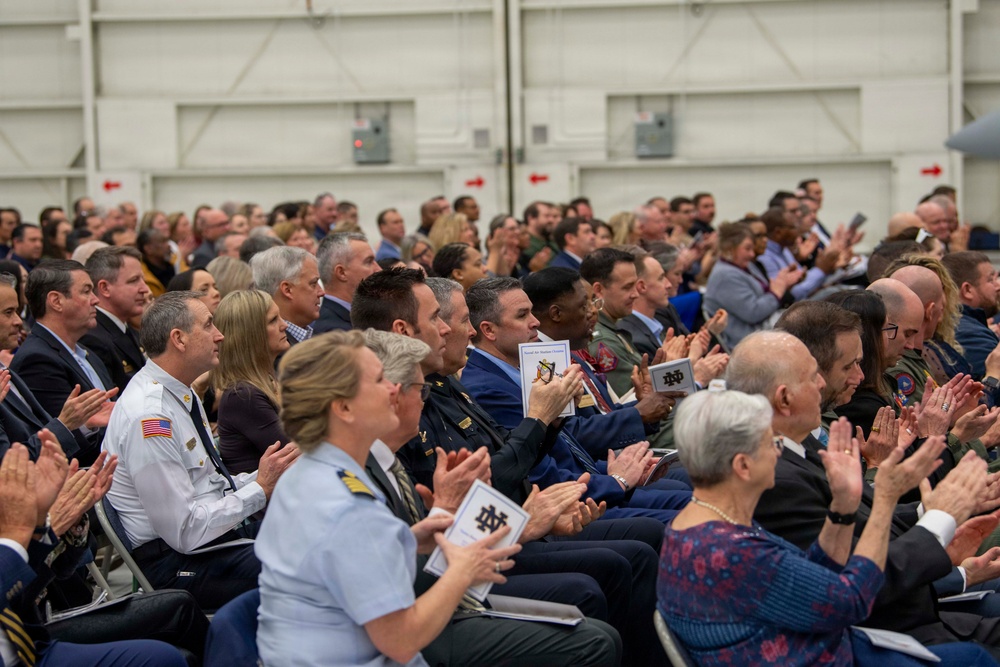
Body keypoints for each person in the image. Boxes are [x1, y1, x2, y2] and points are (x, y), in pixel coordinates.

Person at [257, 330, 622, 666]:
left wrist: (433, 523)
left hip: (329, 648)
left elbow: (365, 556)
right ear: (344, 408)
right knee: (593, 641)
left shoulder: (318, 471)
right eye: (379, 381)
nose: (393, 391)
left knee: (595, 627)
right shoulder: (345, 503)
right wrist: (464, 567)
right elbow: (400, 640)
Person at [658, 387, 995, 666]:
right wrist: (897, 501)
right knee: (976, 658)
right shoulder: (733, 551)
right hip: (831, 654)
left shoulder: (695, 526)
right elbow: (851, 600)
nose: (779, 452)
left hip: (827, 645)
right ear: (743, 465)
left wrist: (843, 507)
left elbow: (814, 576)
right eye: (771, 444)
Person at [102, 291, 300, 610]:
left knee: (317, 532)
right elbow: (185, 531)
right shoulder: (150, 417)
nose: (219, 335)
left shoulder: (180, 393)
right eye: (208, 325)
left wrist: (262, 478)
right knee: (301, 564)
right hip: (176, 564)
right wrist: (260, 489)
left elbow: (210, 488)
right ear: (179, 339)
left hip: (207, 542)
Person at [11, 260, 117, 465]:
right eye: (86, 291)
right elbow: (62, 445)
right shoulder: (37, 360)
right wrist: (89, 426)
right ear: (56, 301)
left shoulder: (86, 352)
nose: (95, 300)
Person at [212, 290, 291, 475]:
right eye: (273, 320)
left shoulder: (263, 382)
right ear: (250, 335)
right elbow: (296, 453)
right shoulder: (243, 395)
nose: (284, 325)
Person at [703, 222, 801, 350]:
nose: (752, 254)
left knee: (807, 314)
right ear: (730, 249)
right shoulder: (725, 276)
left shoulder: (743, 266)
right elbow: (754, 313)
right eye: (747, 248)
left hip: (764, 327)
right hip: (749, 339)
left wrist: (781, 284)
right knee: (803, 321)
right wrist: (776, 293)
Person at [80, 247, 149, 394]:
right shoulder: (94, 339)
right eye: (134, 281)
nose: (145, 289)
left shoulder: (126, 328)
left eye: (143, 279)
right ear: (105, 288)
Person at [250, 246, 323, 347]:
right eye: (313, 284)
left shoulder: (314, 335)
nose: (321, 292)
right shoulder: (273, 349)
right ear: (287, 290)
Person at [314, 232, 379, 334]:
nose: (378, 269)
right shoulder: (333, 332)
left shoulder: (363, 316)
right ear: (342, 273)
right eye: (369, 262)